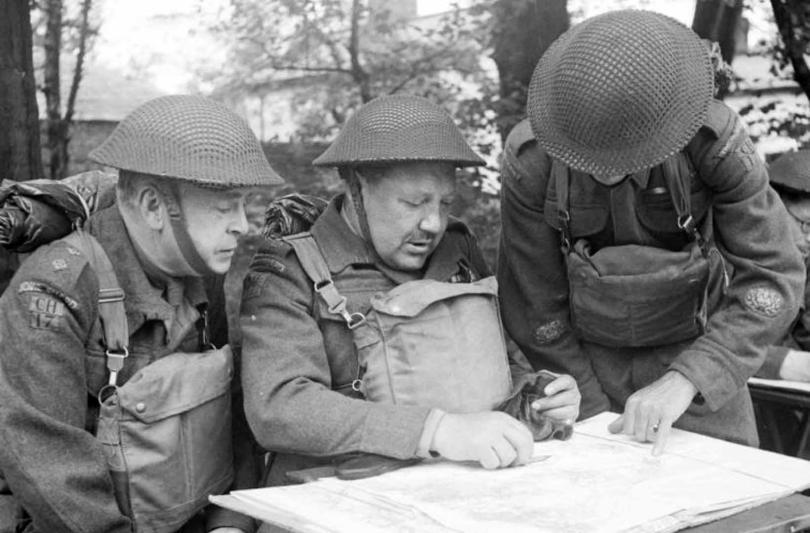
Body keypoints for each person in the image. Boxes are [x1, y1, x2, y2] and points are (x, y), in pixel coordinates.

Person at [497, 10, 805, 455]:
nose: (604, 172)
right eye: (588, 157)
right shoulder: (532, 161)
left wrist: (690, 378)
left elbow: (773, 277)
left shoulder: (712, 144)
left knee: (733, 510)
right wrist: (592, 411)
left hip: (703, 365)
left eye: (625, 155)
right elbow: (533, 304)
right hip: (582, 370)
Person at [239, 95, 581, 494]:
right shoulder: (290, 268)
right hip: (339, 500)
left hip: (470, 490)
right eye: (413, 203)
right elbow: (280, 407)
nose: (433, 222)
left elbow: (503, 365)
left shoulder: (458, 250)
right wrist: (437, 430)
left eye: (445, 203)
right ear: (356, 188)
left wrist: (539, 398)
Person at [0, 95, 283, 533]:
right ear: (153, 207)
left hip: (185, 512)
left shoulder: (199, 268)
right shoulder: (55, 290)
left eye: (244, 205)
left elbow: (228, 406)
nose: (243, 225)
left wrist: (230, 522)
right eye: (225, 206)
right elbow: (49, 465)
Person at [757, 150, 810, 383]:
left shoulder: (802, 262)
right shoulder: (725, 260)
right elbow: (697, 347)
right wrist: (782, 363)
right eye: (806, 225)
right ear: (773, 209)